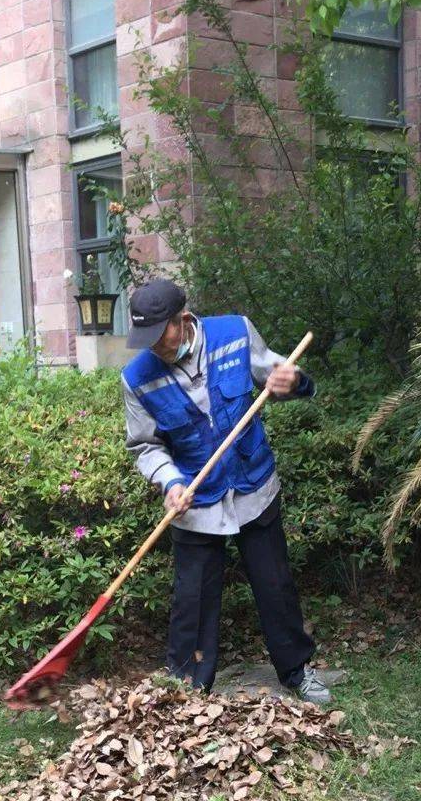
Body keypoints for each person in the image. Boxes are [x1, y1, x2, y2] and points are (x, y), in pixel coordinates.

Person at [121, 278, 331, 706]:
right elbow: (145, 445)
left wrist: (294, 381)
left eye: (160, 335)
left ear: (183, 320)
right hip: (195, 502)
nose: (154, 347)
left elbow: (279, 373)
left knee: (275, 586)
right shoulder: (137, 378)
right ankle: (186, 690)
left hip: (254, 485)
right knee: (191, 599)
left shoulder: (234, 332)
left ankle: (296, 671)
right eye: (146, 339)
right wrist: (171, 482)